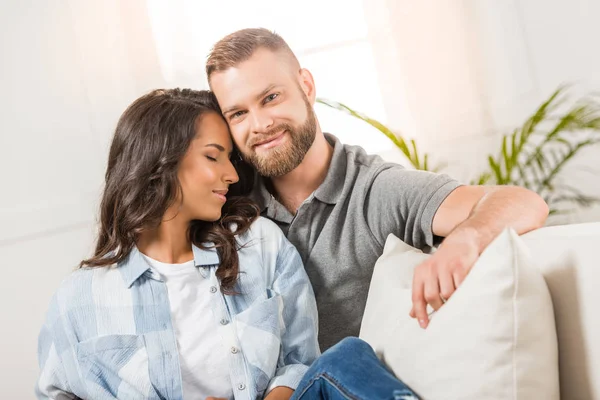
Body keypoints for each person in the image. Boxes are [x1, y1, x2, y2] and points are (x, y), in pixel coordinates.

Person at [36, 88, 420, 400]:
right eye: (212, 157)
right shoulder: (79, 298)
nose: (232, 174)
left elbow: (299, 361)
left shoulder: (260, 245)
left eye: (230, 158)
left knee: (347, 358)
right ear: (161, 163)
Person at [206, 28, 550, 350]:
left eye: (270, 97)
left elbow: (521, 202)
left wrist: (466, 239)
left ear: (306, 86)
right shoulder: (227, 201)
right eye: (238, 113)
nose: (260, 125)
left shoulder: (376, 189)